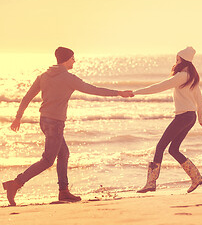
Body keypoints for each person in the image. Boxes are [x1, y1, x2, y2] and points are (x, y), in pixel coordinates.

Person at [3, 47, 133, 206]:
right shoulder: (68, 78)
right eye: (73, 58)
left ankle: (63, 191)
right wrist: (119, 93)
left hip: (44, 121)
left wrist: (18, 117)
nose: (74, 61)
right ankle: (15, 184)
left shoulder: (44, 76)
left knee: (63, 153)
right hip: (55, 123)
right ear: (66, 59)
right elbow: (93, 90)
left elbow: (27, 97)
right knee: (48, 160)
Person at [133, 46, 202, 193]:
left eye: (177, 58)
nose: (176, 61)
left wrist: (135, 92)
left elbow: (159, 86)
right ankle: (196, 177)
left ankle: (151, 183)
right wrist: (200, 118)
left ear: (183, 60)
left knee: (160, 147)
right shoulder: (192, 78)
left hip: (183, 116)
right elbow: (200, 100)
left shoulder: (181, 77)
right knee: (173, 149)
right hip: (190, 117)